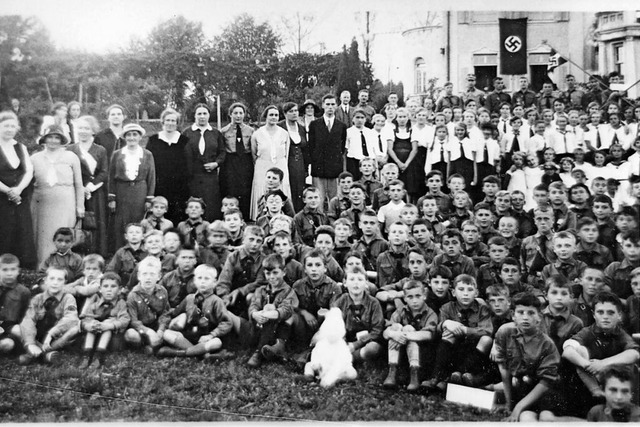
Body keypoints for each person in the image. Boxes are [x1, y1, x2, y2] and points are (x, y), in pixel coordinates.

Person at [491, 292, 561, 422]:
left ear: (539, 317)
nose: (525, 317)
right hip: (520, 386)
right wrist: (508, 403)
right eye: (521, 312)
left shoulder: (547, 344)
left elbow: (546, 382)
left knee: (540, 418)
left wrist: (517, 408)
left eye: (531, 313)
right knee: (523, 416)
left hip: (542, 391)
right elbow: (504, 370)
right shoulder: (505, 332)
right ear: (513, 315)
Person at [31, 125, 84, 266]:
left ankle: (63, 266)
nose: (53, 141)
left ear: (61, 140)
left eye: (57, 137)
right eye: (50, 137)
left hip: (65, 202)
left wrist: (80, 206)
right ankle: (43, 267)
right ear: (44, 139)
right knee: (43, 235)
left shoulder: (71, 157)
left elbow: (78, 184)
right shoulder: (34, 158)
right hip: (41, 202)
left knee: (63, 233)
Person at [159, 264, 233, 360]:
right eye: (199, 278)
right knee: (167, 334)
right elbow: (173, 313)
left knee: (217, 342)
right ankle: (203, 355)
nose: (202, 281)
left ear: (214, 282)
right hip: (188, 337)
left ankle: (179, 353)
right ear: (194, 280)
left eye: (207, 279)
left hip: (206, 338)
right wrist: (162, 326)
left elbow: (227, 322)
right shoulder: (189, 298)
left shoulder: (216, 301)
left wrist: (212, 335)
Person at [107, 123, 156, 249]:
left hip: (140, 191)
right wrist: (112, 198)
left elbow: (151, 177)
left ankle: (139, 251)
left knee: (138, 221)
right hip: (122, 191)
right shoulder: (117, 154)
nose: (132, 137)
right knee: (121, 223)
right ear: (124, 137)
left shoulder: (147, 154)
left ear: (140, 137)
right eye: (129, 135)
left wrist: (149, 198)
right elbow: (111, 177)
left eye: (135, 134)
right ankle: (122, 252)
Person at [246, 254, 299, 367]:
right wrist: (255, 314)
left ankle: (259, 353)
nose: (271, 277)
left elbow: (286, 309)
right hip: (260, 328)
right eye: (268, 273)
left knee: (277, 315)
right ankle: (272, 351)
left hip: (279, 329)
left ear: (284, 272)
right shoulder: (261, 290)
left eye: (275, 273)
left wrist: (270, 314)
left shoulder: (288, 291)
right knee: (264, 313)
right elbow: (254, 305)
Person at [19, 266, 79, 365]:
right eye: (52, 278)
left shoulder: (68, 298)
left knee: (74, 329)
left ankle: (33, 355)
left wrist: (51, 334)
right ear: (45, 281)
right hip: (38, 336)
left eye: (60, 279)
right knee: (20, 328)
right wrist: (30, 343)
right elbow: (28, 319)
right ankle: (44, 355)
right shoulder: (37, 298)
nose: (55, 282)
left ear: (65, 282)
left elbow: (71, 318)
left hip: (55, 338)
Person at [67, 115, 109, 256]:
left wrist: (91, 186)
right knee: (78, 221)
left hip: (95, 192)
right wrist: (81, 188)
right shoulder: (71, 149)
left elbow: (104, 171)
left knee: (96, 221)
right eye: (80, 128)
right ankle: (77, 251)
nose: (83, 131)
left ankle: (96, 252)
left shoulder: (100, 150)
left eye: (87, 128)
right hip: (75, 191)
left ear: (93, 131)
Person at [0, 111, 36, 268]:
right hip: (1, 197)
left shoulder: (20, 147)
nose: (9, 129)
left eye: (12, 126)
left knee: (21, 230)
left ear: (17, 128)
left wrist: (19, 189)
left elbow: (29, 170)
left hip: (20, 197)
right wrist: (8, 191)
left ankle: (22, 268)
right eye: (5, 125)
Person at [146, 108, 190, 225]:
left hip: (179, 186)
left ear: (177, 123)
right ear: (163, 122)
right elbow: (148, 162)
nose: (170, 123)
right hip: (160, 184)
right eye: (168, 120)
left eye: (173, 121)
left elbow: (188, 163)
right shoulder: (154, 140)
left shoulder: (184, 141)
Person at [183, 103, 226, 222]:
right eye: (199, 114)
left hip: (210, 176)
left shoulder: (215, 133)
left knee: (211, 204)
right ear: (195, 116)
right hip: (192, 176)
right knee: (193, 204)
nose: (202, 116)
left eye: (204, 113)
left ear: (209, 115)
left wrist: (216, 164)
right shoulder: (187, 133)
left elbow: (222, 152)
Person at [78, 272, 130, 369]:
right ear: (100, 289)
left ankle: (99, 356)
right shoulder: (95, 303)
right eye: (105, 286)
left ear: (119, 290)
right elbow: (86, 318)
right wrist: (91, 324)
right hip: (95, 335)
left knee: (108, 323)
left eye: (113, 286)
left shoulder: (121, 303)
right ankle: (87, 356)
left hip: (113, 339)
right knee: (92, 324)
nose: (109, 290)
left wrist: (111, 325)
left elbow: (125, 319)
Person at [249, 105, 290, 221]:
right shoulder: (257, 134)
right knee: (263, 187)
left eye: (276, 115)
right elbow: (254, 153)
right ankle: (261, 217)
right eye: (271, 115)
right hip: (262, 165)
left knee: (281, 188)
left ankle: (282, 215)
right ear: (265, 116)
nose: (274, 117)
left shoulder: (284, 133)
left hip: (280, 165)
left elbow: (286, 152)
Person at [308, 94, 348, 207]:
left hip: (334, 168)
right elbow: (311, 146)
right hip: (319, 167)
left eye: (332, 104)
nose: (330, 107)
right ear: (323, 106)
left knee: (334, 200)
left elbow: (341, 147)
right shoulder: (314, 124)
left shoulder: (341, 126)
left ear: (336, 106)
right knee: (318, 199)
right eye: (328, 104)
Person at [124, 257, 170, 354]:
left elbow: (165, 313)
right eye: (144, 274)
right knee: (131, 335)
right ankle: (145, 346)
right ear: (139, 276)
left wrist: (161, 330)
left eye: (152, 274)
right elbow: (133, 321)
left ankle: (154, 345)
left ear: (159, 276)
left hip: (155, 326)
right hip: (141, 329)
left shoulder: (162, 291)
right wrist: (148, 332)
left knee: (167, 332)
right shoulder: (133, 295)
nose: (148, 278)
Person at [219, 102, 254, 221]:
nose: (238, 116)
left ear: (244, 114)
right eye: (235, 113)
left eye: (241, 113)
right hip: (230, 162)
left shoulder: (250, 131)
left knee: (245, 188)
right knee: (231, 188)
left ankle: (245, 217)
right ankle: (230, 217)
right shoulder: (224, 131)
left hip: (245, 161)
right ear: (230, 115)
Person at [279, 102, 309, 212]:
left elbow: (306, 149)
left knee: (299, 189)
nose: (294, 113)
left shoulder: (301, 128)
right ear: (285, 114)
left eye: (296, 111)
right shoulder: (280, 127)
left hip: (300, 163)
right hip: (286, 162)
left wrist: (306, 168)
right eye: (291, 111)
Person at [387, 108, 421, 203]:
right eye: (400, 117)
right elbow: (390, 149)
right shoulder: (392, 130)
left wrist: (406, 164)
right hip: (396, 161)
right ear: (396, 118)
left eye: (404, 117)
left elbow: (414, 149)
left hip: (409, 163)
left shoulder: (413, 130)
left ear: (408, 118)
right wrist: (398, 163)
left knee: (409, 186)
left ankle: (408, 205)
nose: (402, 119)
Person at [0, 253, 31, 355]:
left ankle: (37, 351)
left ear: (18, 271)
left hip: (10, 328)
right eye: (5, 270)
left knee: (8, 344)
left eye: (13, 269)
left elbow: (25, 315)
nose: (9, 273)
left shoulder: (23, 292)